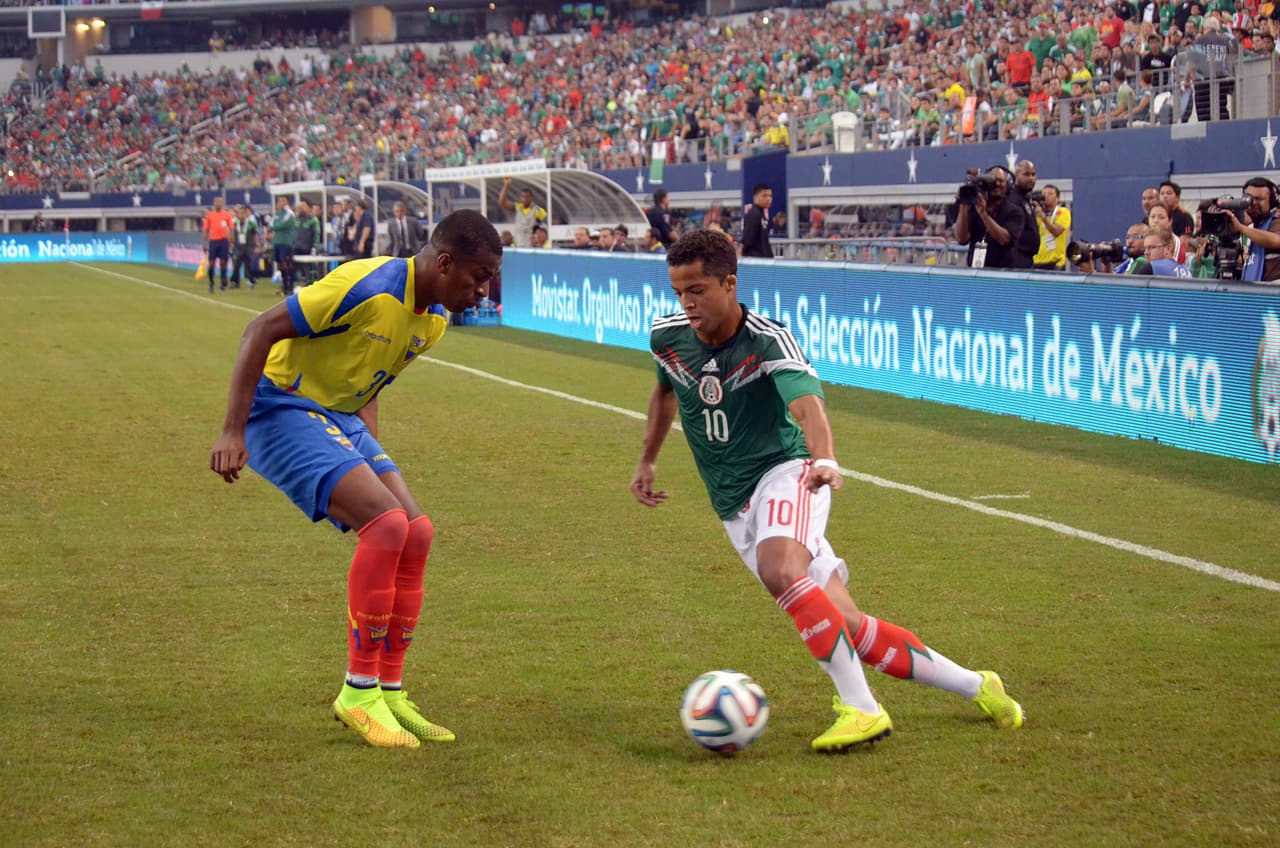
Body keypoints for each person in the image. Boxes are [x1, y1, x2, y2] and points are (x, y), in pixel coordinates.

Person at [630, 231, 1023, 753]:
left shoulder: (768, 340)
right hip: (732, 502)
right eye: (679, 292)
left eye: (697, 290)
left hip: (787, 473)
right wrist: (648, 458)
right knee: (849, 625)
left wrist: (824, 459)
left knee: (780, 570)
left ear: (730, 283)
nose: (687, 303)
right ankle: (979, 686)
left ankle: (862, 709)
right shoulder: (667, 336)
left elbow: (808, 405)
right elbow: (665, 393)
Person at [209, 210, 503, 749]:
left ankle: (389, 690)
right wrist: (232, 430)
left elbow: (370, 379)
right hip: (278, 406)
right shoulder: (367, 286)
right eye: (478, 277)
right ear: (444, 263)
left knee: (416, 532)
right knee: (386, 525)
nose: (484, 291)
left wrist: (368, 455)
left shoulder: (432, 321)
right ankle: (358, 692)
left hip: (339, 416)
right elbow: (261, 330)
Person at [952, 167, 1028, 269]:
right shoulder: (973, 209)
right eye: (993, 181)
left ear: (1008, 185)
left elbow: (1004, 240)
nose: (997, 184)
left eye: (1001, 181)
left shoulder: (1015, 211)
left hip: (1003, 272)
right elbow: (962, 239)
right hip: (976, 271)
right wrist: (963, 204)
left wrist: (983, 214)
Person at [1229, 177, 1280, 283]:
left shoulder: (1276, 221)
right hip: (1253, 291)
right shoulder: (1255, 227)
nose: (1253, 203)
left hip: (1272, 292)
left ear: (1272, 201)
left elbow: (1276, 240)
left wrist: (1241, 227)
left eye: (1259, 199)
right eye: (1249, 198)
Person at [497, 178, 547, 247]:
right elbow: (502, 203)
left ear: (531, 198)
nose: (525, 199)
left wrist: (540, 240)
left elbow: (547, 225)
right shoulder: (518, 207)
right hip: (518, 246)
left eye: (527, 197)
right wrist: (506, 186)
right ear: (520, 198)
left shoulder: (537, 210)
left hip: (530, 247)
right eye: (523, 197)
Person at [1032, 184, 1071, 270]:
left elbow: (1056, 231)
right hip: (1037, 260)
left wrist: (1043, 218)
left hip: (1055, 262)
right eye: (1044, 194)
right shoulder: (1036, 213)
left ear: (1057, 198)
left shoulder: (1063, 212)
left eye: (1050, 194)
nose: (1046, 196)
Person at [203, 196, 236, 294]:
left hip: (223, 241)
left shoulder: (226, 215)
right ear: (214, 203)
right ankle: (211, 282)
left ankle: (223, 283)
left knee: (223, 262)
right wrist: (204, 243)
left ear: (222, 204)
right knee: (211, 263)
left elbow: (231, 228)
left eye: (220, 202)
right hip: (213, 241)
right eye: (217, 202)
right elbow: (206, 230)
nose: (218, 204)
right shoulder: (210, 215)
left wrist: (232, 242)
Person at [269, 195, 298, 297]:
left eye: (282, 201)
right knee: (280, 264)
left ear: (286, 203)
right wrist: (274, 227)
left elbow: (281, 225)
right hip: (277, 242)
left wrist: (275, 227)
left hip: (286, 243)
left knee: (287, 264)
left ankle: (290, 287)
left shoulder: (289, 213)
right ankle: (285, 287)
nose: (280, 203)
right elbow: (271, 225)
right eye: (279, 201)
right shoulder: (277, 214)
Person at [740, 183, 774, 259]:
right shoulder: (753, 214)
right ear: (755, 197)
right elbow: (747, 239)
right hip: (755, 258)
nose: (768, 199)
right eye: (764, 196)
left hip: (764, 258)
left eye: (770, 196)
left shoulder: (762, 215)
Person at [293, 200, 323, 286]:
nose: (301, 209)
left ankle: (310, 282)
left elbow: (317, 233)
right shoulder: (296, 219)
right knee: (294, 266)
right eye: (300, 207)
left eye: (303, 207)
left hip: (307, 247)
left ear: (308, 208)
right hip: (297, 246)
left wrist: (315, 246)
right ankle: (294, 283)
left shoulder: (313, 220)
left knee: (308, 267)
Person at [230, 205, 260, 289]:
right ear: (237, 214)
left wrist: (257, 246)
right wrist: (231, 243)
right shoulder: (234, 223)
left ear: (246, 214)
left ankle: (251, 281)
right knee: (236, 265)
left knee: (250, 265)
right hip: (238, 246)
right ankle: (235, 282)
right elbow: (231, 233)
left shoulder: (251, 223)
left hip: (249, 246)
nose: (241, 215)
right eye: (240, 213)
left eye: (243, 213)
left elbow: (255, 234)